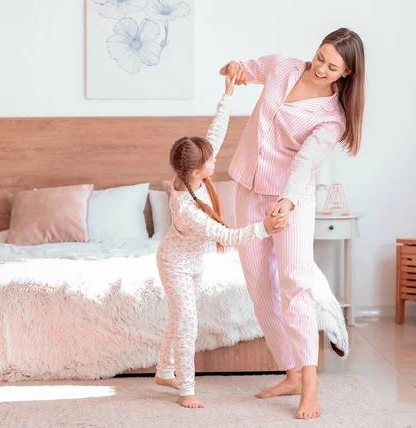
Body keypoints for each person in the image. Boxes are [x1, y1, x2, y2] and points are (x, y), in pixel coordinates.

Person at [219, 27, 366, 419]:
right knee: (257, 281)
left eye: (332, 67)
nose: (320, 68)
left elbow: (303, 164)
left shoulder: (331, 119)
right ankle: (290, 372)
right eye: (320, 57)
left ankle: (310, 382)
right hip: (248, 185)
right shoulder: (284, 66)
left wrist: (285, 203)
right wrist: (236, 69)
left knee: (296, 285)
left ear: (346, 73)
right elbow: (249, 69)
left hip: (291, 198)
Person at [154, 74, 288, 409]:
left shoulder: (191, 174)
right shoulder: (187, 210)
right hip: (175, 264)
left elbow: (216, 134)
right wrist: (265, 227)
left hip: (191, 261)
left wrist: (227, 96)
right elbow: (228, 236)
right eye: (210, 161)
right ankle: (186, 389)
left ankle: (163, 370)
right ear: (197, 171)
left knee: (178, 316)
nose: (216, 161)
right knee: (187, 324)